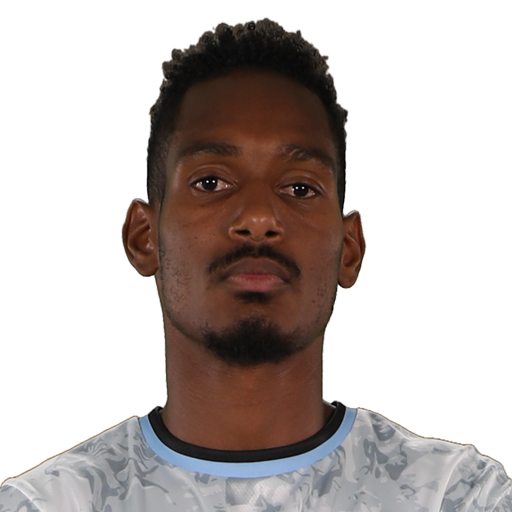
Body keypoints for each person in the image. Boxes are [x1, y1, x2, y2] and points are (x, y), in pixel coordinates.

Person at [1, 18, 511, 512]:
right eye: (211, 182)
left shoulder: (456, 497)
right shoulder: (50, 504)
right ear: (144, 238)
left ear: (349, 249)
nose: (259, 217)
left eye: (299, 188)